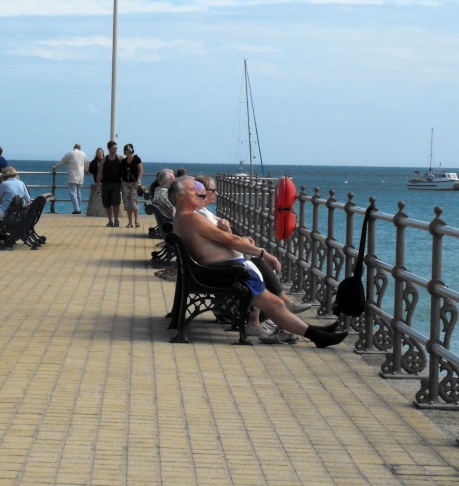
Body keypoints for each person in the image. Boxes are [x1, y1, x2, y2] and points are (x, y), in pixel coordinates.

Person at [169, 176, 346, 348]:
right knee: (275, 304)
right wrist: (263, 254)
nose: (198, 193)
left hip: (217, 271)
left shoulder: (183, 218)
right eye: (192, 190)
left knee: (275, 303)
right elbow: (231, 241)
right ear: (180, 196)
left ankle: (318, 332)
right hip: (226, 274)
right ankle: (318, 336)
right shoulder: (192, 218)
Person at [193, 175, 310, 324]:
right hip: (219, 269)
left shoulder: (202, 213)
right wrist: (255, 249)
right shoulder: (200, 216)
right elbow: (227, 240)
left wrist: (241, 239)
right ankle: (279, 306)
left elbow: (225, 239)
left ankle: (279, 309)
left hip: (212, 265)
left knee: (256, 261)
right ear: (201, 192)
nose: (217, 194)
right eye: (213, 190)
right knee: (258, 262)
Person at [0, 166, 31, 243]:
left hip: (6, 212)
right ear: (16, 175)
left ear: (4, 177)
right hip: (19, 213)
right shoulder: (21, 183)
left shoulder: (4, 184)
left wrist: (4, 203)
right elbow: (28, 199)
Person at [54, 143, 88, 214]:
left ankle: (76, 209)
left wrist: (55, 167)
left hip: (72, 175)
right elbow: (86, 165)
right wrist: (86, 171)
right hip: (81, 176)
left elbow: (61, 163)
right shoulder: (83, 154)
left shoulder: (69, 154)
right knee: (79, 193)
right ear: (80, 148)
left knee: (73, 192)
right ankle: (79, 208)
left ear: (74, 148)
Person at [96, 141, 123, 227]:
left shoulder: (120, 158)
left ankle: (116, 220)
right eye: (113, 148)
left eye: (116, 148)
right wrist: (98, 186)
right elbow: (99, 173)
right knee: (107, 203)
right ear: (109, 149)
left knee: (116, 203)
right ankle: (110, 221)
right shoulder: (104, 160)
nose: (115, 150)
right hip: (106, 184)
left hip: (116, 183)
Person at [120, 143, 144, 228]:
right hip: (125, 183)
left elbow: (141, 170)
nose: (128, 152)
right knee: (127, 203)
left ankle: (136, 220)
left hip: (134, 183)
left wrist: (138, 181)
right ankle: (130, 222)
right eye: (126, 150)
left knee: (134, 202)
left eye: (129, 150)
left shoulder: (136, 159)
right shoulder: (124, 161)